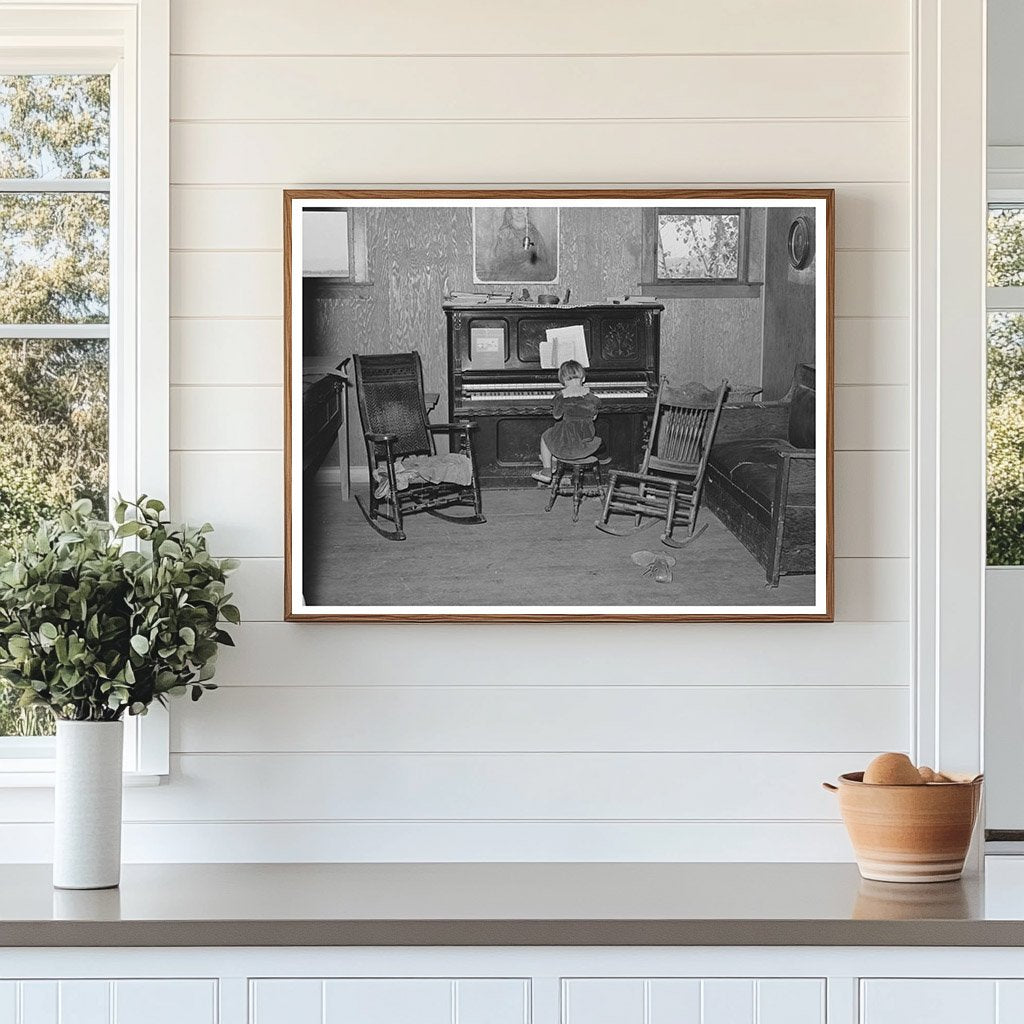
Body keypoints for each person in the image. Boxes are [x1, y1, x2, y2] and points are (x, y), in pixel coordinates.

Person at [532, 359, 602, 484]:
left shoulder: (561, 396)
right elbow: (594, 417)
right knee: (557, 437)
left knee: (546, 436)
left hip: (567, 444)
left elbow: (556, 416)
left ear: (563, 381)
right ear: (583, 378)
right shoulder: (591, 397)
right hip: (585, 444)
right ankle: (554, 461)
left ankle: (547, 470)